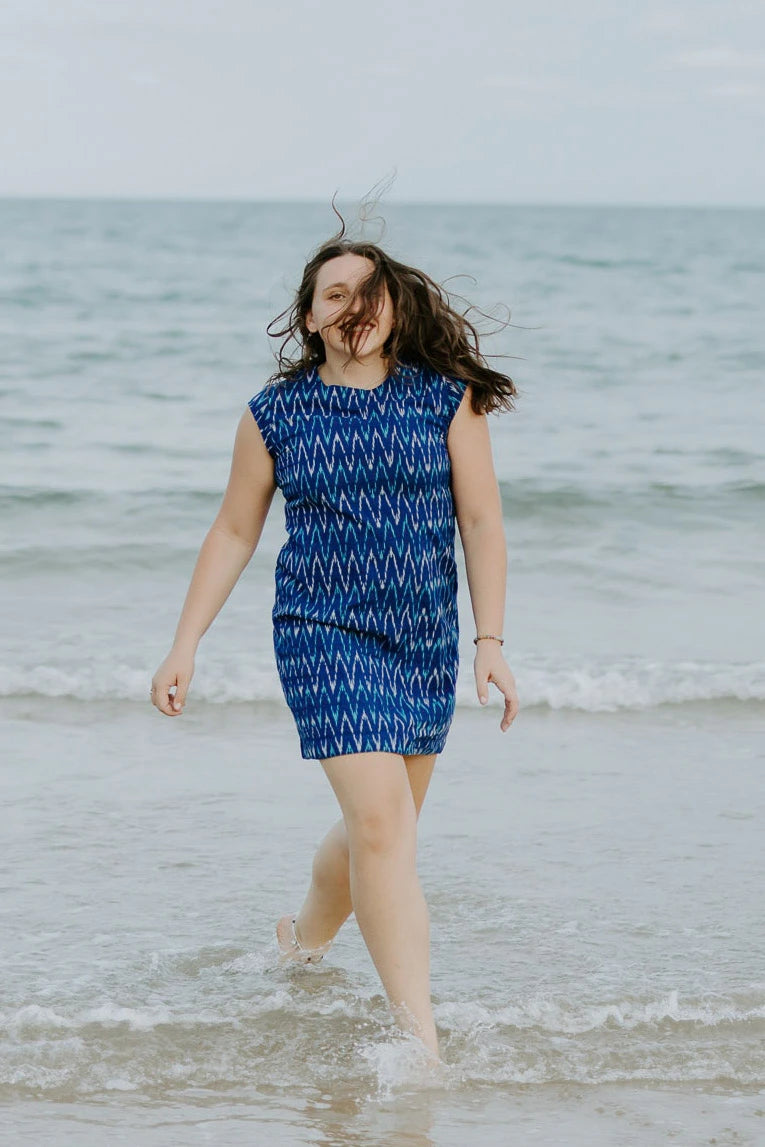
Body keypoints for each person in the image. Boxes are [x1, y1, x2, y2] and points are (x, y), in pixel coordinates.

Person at [150, 220, 520, 1065]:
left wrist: (488, 637)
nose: (355, 306)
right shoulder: (274, 413)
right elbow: (235, 531)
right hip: (322, 633)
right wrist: (185, 643)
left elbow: (481, 519)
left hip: (420, 634)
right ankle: (418, 1037)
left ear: (393, 306)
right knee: (384, 825)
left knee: (376, 827)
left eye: (369, 291)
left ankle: (302, 941)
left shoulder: (442, 396)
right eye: (335, 294)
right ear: (310, 316)